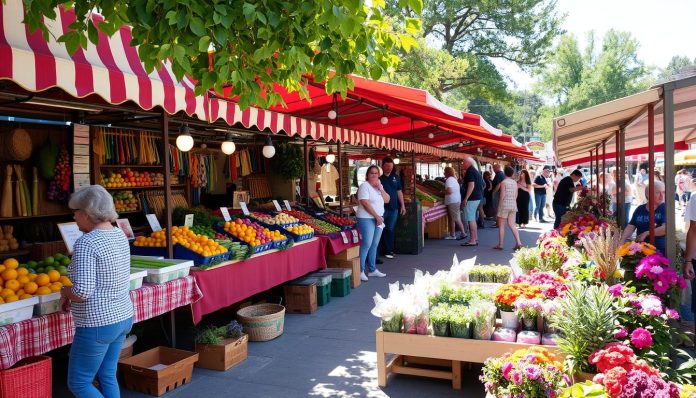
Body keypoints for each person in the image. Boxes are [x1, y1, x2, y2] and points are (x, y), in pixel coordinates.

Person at [61, 185, 133, 398]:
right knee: (107, 375)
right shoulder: (119, 234)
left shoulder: (86, 243)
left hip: (97, 323)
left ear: (86, 214)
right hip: (122, 316)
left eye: (75, 213)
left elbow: (82, 292)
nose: (74, 218)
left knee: (79, 383)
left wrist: (65, 292)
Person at [357, 166, 390, 281]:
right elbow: (365, 203)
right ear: (367, 175)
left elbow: (387, 200)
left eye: (376, 173)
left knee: (374, 244)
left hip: (378, 219)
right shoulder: (364, 186)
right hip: (367, 218)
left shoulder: (378, 187)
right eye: (372, 173)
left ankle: (372, 269)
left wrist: (381, 188)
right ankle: (360, 271)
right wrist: (376, 216)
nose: (374, 175)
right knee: (366, 244)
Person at [620, 181, 666, 255]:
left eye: (663, 192)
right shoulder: (640, 209)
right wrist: (622, 241)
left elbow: (665, 229)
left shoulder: (665, 208)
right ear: (648, 194)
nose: (662, 196)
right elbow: (631, 226)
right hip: (640, 251)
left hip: (659, 252)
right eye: (658, 193)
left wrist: (646, 233)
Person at [379, 157, 406, 260]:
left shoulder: (396, 177)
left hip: (394, 208)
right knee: (380, 229)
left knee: (390, 229)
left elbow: (399, 191)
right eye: (387, 166)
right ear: (383, 166)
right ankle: (380, 251)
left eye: (391, 166)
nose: (389, 168)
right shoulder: (379, 179)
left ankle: (389, 250)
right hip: (382, 209)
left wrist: (402, 205)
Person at [493, 166, 523, 251]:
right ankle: (519, 242)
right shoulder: (515, 183)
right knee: (512, 225)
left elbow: (502, 195)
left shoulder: (503, 182)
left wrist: (499, 206)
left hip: (504, 205)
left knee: (501, 226)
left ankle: (501, 244)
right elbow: (516, 195)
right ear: (512, 173)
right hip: (513, 205)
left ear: (505, 173)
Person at [460, 158, 484, 247]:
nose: (462, 164)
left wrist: (466, 198)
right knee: (472, 218)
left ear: (468, 163)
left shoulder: (470, 171)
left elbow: (471, 185)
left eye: (463, 162)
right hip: (477, 197)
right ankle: (475, 238)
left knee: (471, 219)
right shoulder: (475, 171)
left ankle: (473, 239)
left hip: (472, 198)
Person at [443, 166, 466, 240]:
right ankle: (452, 234)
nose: (444, 173)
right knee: (453, 218)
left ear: (447, 172)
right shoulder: (454, 179)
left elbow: (449, 191)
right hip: (456, 200)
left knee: (456, 218)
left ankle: (463, 233)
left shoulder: (449, 180)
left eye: (444, 171)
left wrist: (442, 192)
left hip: (453, 201)